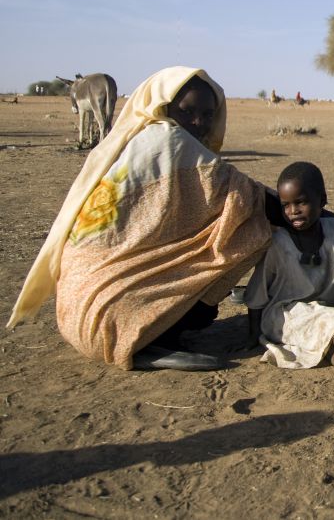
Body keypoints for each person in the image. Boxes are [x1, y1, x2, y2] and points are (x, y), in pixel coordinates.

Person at [8, 67, 273, 371]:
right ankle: (144, 343)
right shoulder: (168, 139)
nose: (198, 122)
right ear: (164, 108)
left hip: (78, 310)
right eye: (186, 111)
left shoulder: (137, 142)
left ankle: (155, 332)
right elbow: (252, 199)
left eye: (207, 113)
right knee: (254, 231)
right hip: (107, 317)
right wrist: (325, 217)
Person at [244, 162, 334, 369]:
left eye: (301, 202)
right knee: (328, 321)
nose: (293, 211)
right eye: (285, 205)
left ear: (322, 200)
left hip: (327, 312)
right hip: (285, 315)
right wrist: (253, 335)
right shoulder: (278, 243)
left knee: (325, 344)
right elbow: (257, 294)